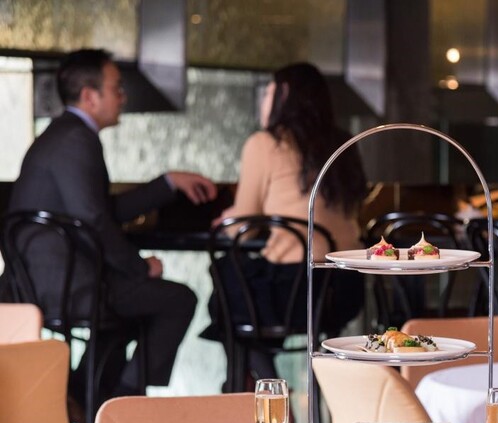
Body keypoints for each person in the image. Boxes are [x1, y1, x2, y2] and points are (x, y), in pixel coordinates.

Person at [7, 48, 218, 400]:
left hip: (46, 281)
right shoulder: (76, 140)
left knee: (128, 314)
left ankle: (82, 395)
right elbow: (94, 219)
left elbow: (98, 209)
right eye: (116, 88)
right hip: (64, 288)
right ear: (90, 96)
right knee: (177, 299)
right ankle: (125, 396)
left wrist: (168, 183)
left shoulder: (63, 135)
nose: (123, 96)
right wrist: (138, 268)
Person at [204, 62, 367, 379]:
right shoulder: (344, 143)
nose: (263, 99)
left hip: (296, 289)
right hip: (343, 290)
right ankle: (259, 388)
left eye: (268, 91)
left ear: (284, 95)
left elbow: (240, 224)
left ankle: (265, 391)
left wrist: (230, 217)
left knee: (226, 299)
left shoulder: (266, 143)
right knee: (242, 296)